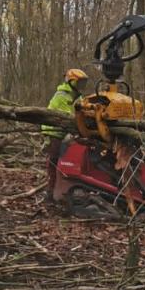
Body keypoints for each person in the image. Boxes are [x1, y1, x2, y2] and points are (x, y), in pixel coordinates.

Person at [42, 68, 89, 202]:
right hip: (54, 131)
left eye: (83, 84)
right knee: (54, 161)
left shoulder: (77, 96)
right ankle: (50, 192)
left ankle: (63, 187)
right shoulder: (62, 95)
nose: (81, 87)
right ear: (71, 82)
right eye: (79, 83)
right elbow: (66, 116)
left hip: (65, 131)